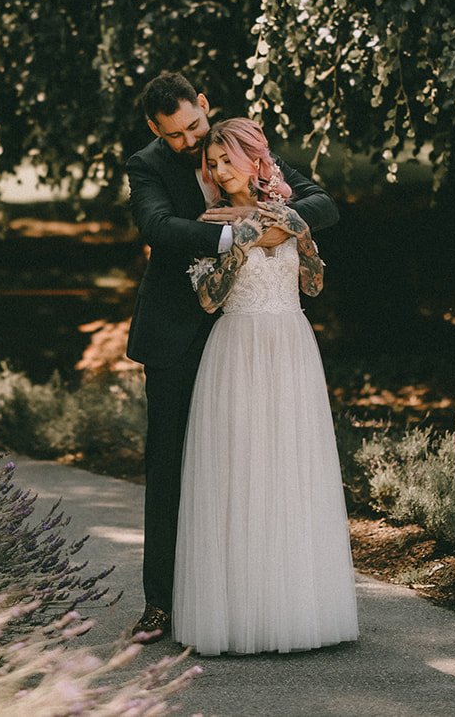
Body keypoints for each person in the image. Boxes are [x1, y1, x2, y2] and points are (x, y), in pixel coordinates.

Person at [124, 72, 340, 639]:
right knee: (171, 465)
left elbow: (320, 202)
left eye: (194, 124)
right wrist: (235, 236)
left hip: (250, 337)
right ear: (156, 129)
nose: (190, 142)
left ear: (204, 103)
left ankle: (239, 597)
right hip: (177, 333)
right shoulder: (147, 164)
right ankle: (162, 604)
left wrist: (275, 225)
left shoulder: (232, 146)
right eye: (175, 135)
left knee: (245, 467)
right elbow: (157, 227)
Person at [172, 117, 358, 654]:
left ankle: (296, 608)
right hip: (237, 348)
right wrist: (246, 236)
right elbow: (208, 298)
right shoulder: (211, 220)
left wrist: (284, 225)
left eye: (227, 159)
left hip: (291, 346)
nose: (218, 169)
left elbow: (315, 285)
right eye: (212, 163)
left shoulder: (287, 208)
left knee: (289, 469)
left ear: (257, 160)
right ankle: (236, 612)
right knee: (240, 472)